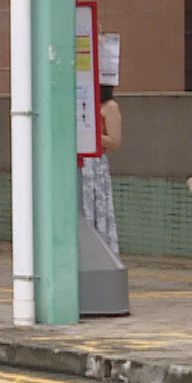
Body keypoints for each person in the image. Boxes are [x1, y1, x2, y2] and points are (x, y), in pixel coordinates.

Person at [79, 84, 123, 255]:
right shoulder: (83, 105)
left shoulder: (110, 107)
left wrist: (90, 133)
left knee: (96, 206)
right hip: (79, 161)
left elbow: (115, 141)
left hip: (95, 163)